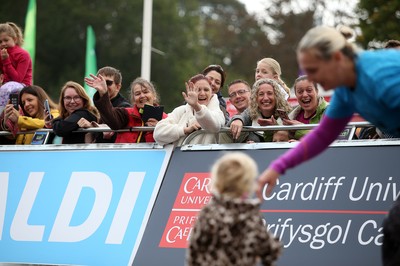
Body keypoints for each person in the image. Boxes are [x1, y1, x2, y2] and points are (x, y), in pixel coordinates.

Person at [255, 26, 400, 266]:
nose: (311, 80)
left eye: (313, 71)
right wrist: (277, 167)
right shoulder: (346, 91)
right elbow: (322, 135)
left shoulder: (381, 78)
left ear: (335, 59)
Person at [186, 152, 282, 266]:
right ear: (248, 183)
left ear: (217, 179)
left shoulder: (207, 212)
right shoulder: (251, 215)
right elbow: (271, 251)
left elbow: (193, 252)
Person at [85, 75, 166, 143]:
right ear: (133, 99)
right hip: (125, 159)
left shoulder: (166, 118)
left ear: (154, 95)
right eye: (137, 94)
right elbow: (110, 117)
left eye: (145, 92)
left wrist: (159, 128)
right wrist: (103, 93)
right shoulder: (126, 114)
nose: (142, 96)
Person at [154, 74, 225, 146]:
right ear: (189, 92)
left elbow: (215, 126)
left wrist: (196, 106)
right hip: (180, 156)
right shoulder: (181, 111)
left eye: (206, 90)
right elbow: (158, 133)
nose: (202, 93)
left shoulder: (218, 112)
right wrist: (184, 130)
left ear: (212, 93)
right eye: (198, 90)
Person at [223, 78, 291, 143]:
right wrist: (238, 120)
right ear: (255, 98)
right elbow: (243, 116)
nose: (265, 98)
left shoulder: (289, 115)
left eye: (270, 93)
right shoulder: (250, 114)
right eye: (261, 94)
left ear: (277, 96)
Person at [92, 66, 131, 143]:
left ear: (118, 87)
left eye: (108, 83)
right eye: (101, 82)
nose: (104, 86)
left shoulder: (125, 108)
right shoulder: (93, 107)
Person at [283, 75, 328, 140]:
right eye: (300, 92)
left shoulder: (329, 111)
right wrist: (272, 128)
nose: (304, 95)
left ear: (317, 91)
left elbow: (326, 138)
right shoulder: (292, 115)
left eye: (309, 90)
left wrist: (301, 128)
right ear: (296, 95)